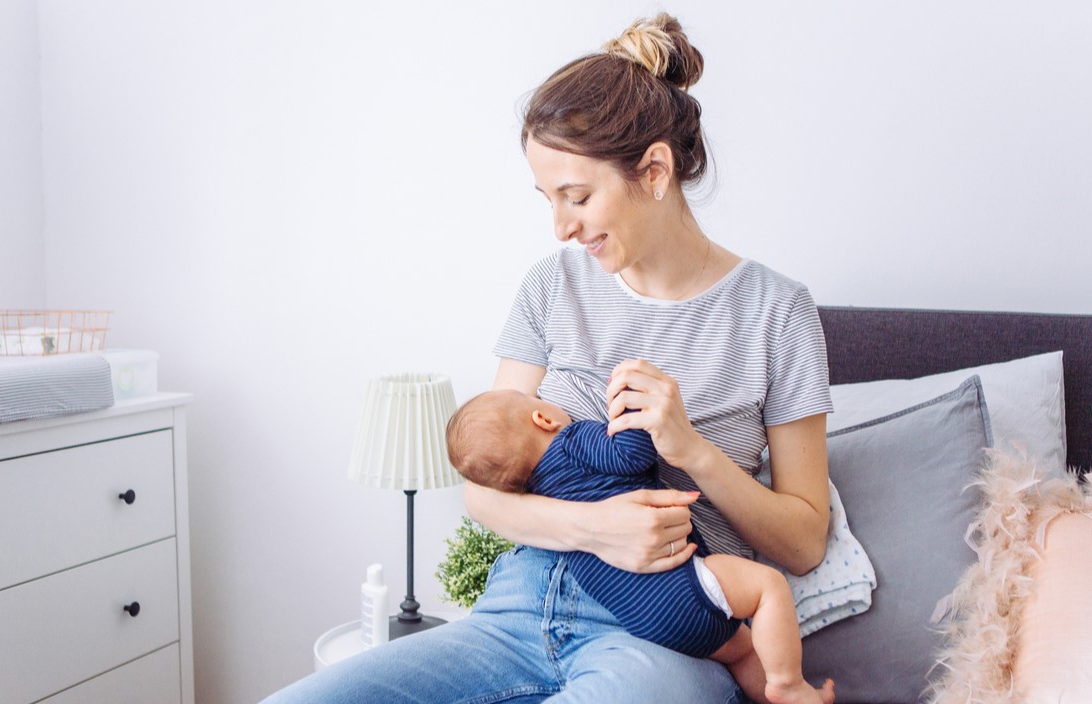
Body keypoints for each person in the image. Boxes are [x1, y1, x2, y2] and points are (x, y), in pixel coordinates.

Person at [261, 12, 833, 704]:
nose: (561, 227)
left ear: (654, 171)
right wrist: (595, 528)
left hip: (662, 633)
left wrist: (692, 449)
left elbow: (803, 543)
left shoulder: (776, 311)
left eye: (578, 197)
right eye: (548, 199)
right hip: (517, 605)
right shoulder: (552, 286)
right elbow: (483, 491)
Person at [445, 389, 834, 704]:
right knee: (767, 589)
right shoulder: (571, 441)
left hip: (640, 616)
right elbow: (631, 455)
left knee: (742, 651)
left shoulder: (536, 491)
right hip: (677, 587)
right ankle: (788, 684)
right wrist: (633, 410)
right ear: (544, 418)